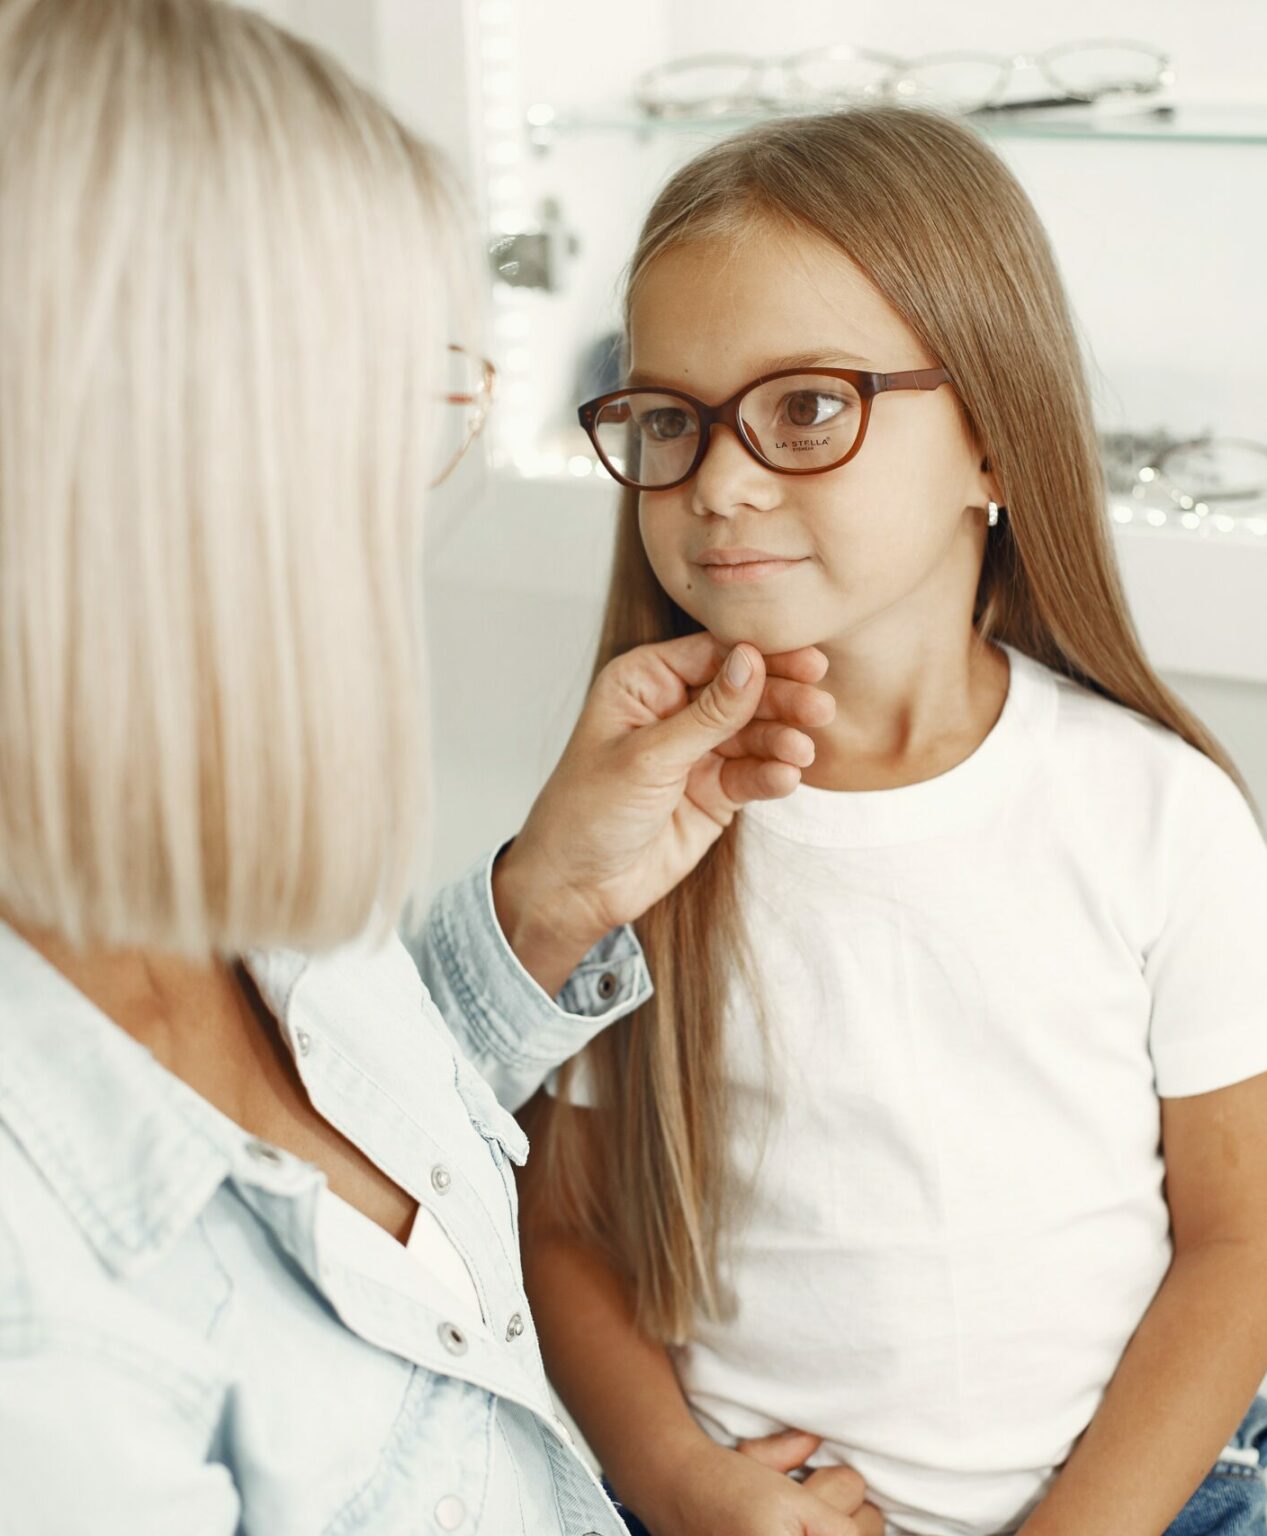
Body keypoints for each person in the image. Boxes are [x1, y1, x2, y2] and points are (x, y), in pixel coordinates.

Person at [0, 3, 852, 1532]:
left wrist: (540, 908)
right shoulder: (39, 1332)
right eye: (400, 405)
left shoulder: (184, 849)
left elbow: (367, 1144)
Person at [521, 106, 1267, 1536]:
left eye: (806, 407)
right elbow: (566, 1229)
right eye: (671, 417)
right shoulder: (625, 832)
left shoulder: (1158, 814)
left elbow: (1243, 1242)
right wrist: (680, 1485)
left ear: (994, 443)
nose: (721, 481)